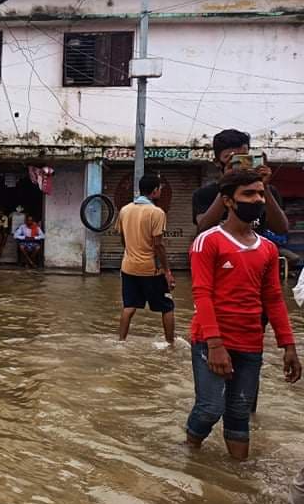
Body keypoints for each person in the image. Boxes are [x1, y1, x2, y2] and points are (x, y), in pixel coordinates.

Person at [186, 170, 301, 460]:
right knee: (210, 408)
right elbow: (202, 294)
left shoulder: (268, 249)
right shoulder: (208, 241)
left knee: (240, 412)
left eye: (261, 194)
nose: (258, 200)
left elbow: (274, 299)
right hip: (211, 340)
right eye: (249, 194)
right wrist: (215, 345)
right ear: (228, 201)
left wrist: (289, 346)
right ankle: (189, 454)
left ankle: (238, 476)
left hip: (251, 342)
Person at [193, 128, 288, 235]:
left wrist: (263, 186)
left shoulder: (264, 191)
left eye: (244, 157)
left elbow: (281, 229)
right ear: (217, 162)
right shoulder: (205, 194)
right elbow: (203, 230)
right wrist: (226, 185)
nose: (238, 163)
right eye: (231, 158)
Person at [116, 174, 176, 343]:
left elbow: (123, 240)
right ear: (155, 191)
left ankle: (121, 341)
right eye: (160, 189)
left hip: (128, 267)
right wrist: (167, 271)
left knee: (129, 307)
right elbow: (158, 245)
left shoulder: (125, 210)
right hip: (151, 269)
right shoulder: (157, 213)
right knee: (167, 306)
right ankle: (170, 344)